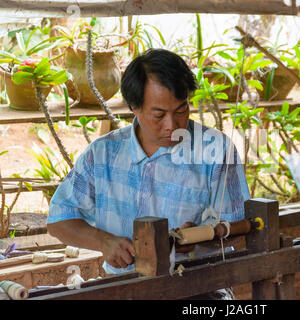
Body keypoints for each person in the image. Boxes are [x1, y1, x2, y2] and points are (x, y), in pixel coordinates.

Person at [47, 48, 250, 299]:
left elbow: (244, 231)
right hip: (124, 288)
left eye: (181, 110)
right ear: (134, 107)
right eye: (159, 115)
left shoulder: (216, 150)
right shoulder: (103, 154)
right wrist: (103, 241)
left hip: (200, 289)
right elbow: (59, 219)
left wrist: (200, 238)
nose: (172, 125)